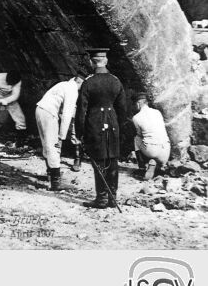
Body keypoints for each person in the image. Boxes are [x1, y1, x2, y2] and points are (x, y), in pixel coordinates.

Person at [75, 48, 126, 209]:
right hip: (112, 124)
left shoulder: (88, 82)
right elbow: (123, 109)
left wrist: (80, 132)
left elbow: (81, 110)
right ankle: (113, 198)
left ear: (91, 62)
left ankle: (102, 198)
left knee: (99, 160)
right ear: (106, 61)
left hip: (94, 124)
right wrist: (120, 127)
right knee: (112, 160)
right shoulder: (116, 80)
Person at [35, 75, 84, 190]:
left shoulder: (63, 84)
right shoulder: (73, 91)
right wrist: (61, 137)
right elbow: (67, 115)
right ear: (80, 83)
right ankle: (55, 183)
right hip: (49, 113)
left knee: (47, 145)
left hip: (40, 109)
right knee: (54, 146)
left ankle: (50, 175)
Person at [132, 92, 170, 180]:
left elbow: (140, 135)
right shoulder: (157, 112)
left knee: (136, 139)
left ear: (138, 103)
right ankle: (158, 164)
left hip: (151, 151)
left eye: (135, 104)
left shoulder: (136, 117)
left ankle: (142, 167)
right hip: (165, 151)